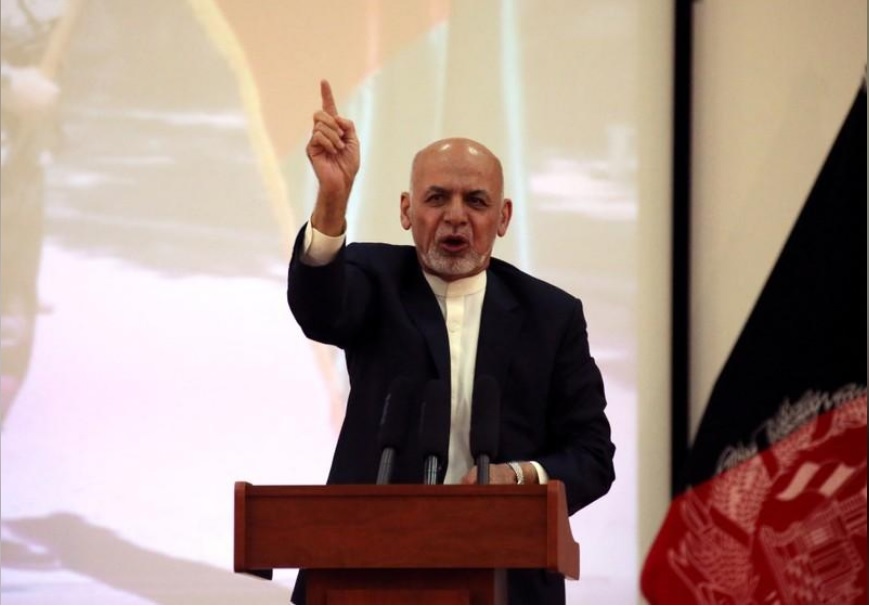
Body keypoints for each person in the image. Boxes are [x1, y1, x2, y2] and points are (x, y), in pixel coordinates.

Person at [287, 79, 616, 605]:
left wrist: (518, 478)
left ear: (503, 217)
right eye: (437, 198)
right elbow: (318, 309)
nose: (456, 216)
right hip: (369, 570)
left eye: (476, 201)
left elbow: (592, 456)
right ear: (406, 211)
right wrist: (332, 198)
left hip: (506, 577)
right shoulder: (374, 278)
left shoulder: (551, 316)